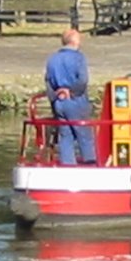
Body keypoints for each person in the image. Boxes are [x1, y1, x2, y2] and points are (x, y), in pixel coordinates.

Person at [45, 28, 97, 165]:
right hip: (76, 101)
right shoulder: (78, 58)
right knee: (84, 134)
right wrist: (71, 91)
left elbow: (48, 81)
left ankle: (68, 165)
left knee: (65, 135)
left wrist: (54, 97)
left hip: (59, 102)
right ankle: (91, 164)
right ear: (74, 41)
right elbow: (83, 80)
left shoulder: (52, 59)